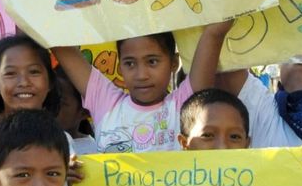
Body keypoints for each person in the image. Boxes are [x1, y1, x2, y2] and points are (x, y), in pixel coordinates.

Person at [51, 24, 228, 153]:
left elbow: (214, 34)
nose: (141, 74)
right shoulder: (105, 103)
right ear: (120, 68)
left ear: (173, 63)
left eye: (152, 61)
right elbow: (56, 41)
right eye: (130, 63)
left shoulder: (183, 105)